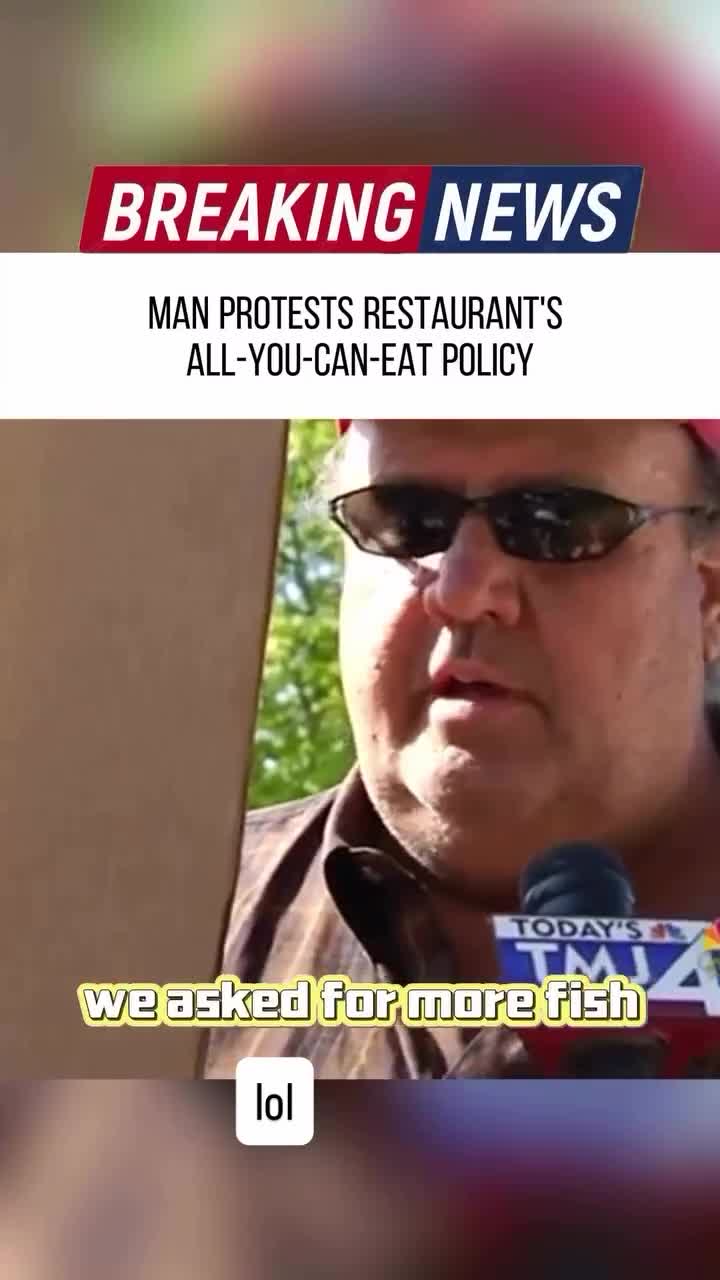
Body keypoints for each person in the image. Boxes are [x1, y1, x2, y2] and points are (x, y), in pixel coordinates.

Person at [204, 419, 720, 1078]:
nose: (462, 592)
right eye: (406, 520)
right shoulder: (175, 925)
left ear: (710, 592)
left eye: (553, 522)